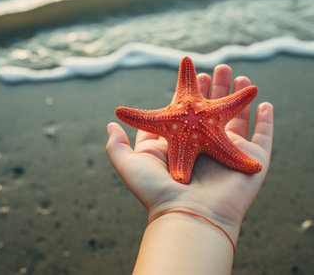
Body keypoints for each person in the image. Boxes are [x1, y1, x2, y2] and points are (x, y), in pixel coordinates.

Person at [106, 63, 274, 275]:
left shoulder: (171, 119)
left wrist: (175, 210)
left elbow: (181, 175)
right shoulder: (197, 117)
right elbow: (180, 174)